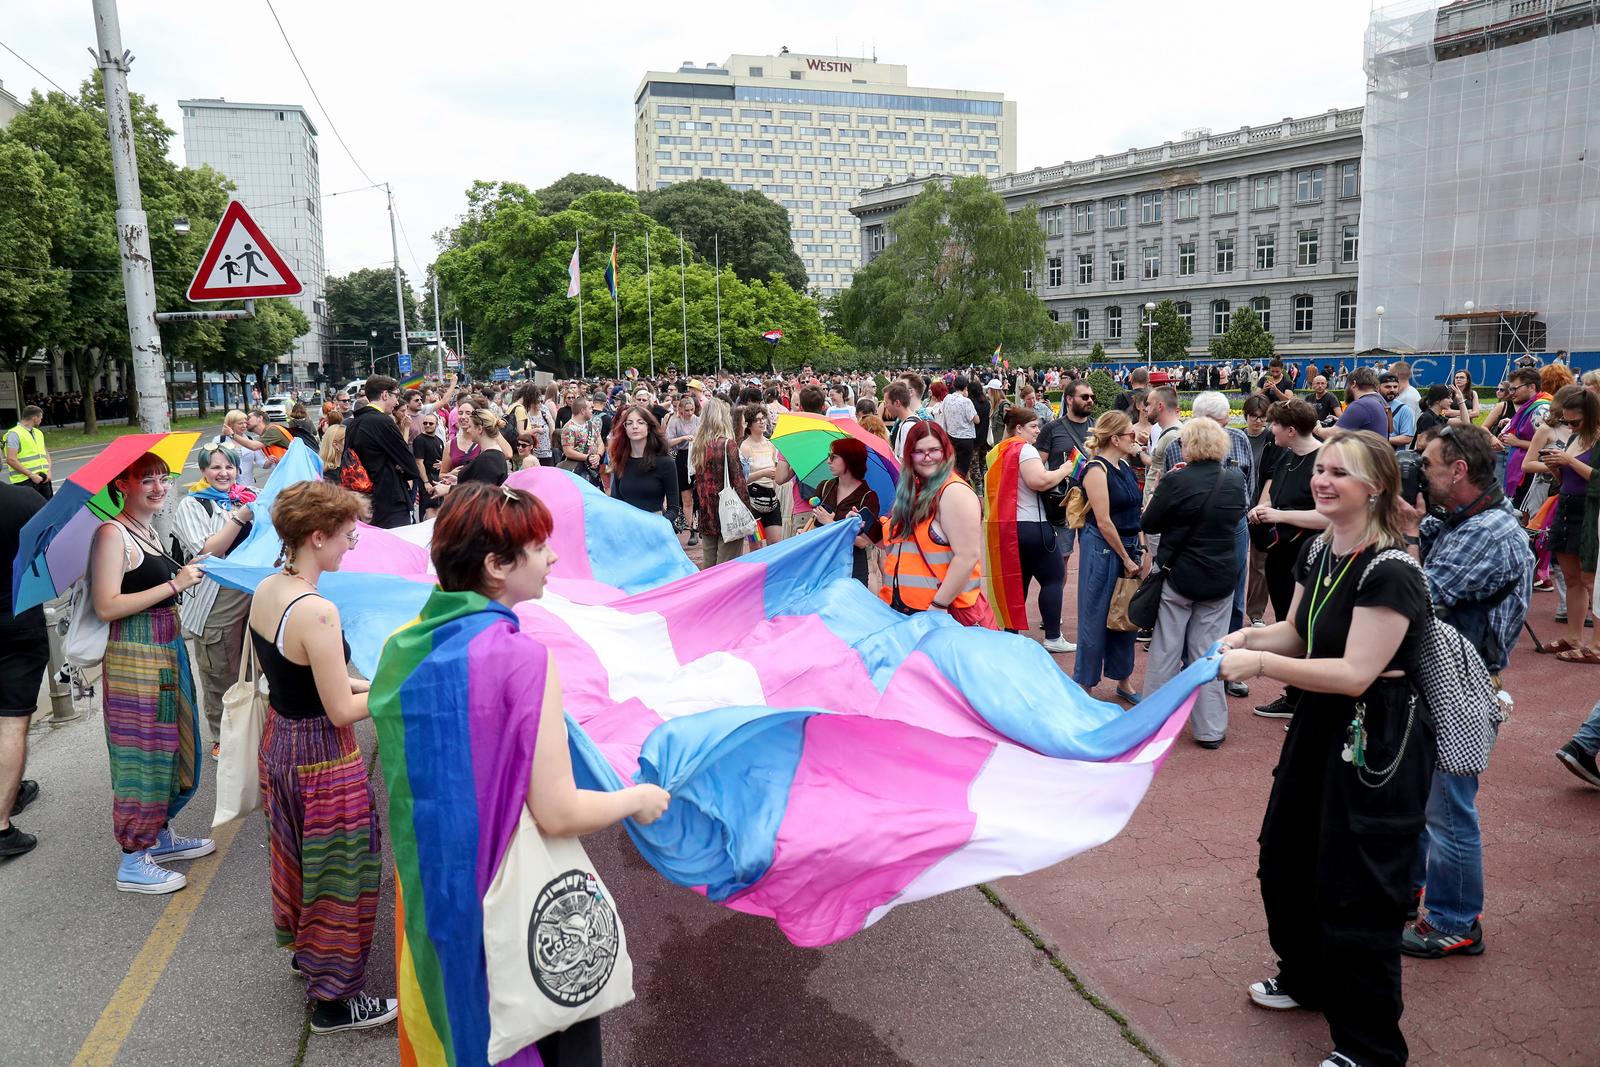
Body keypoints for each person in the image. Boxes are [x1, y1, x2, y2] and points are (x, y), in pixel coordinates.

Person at [368, 484, 669, 1066]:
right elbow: (558, 812)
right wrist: (637, 798)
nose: (553, 558)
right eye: (538, 546)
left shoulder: (402, 649)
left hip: (433, 893)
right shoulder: (522, 658)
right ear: (496, 565)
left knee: (459, 1033)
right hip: (515, 908)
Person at [1219, 429, 1434, 1067]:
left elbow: (1354, 673)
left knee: (1358, 886)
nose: (1323, 479)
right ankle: (1306, 977)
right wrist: (1246, 637)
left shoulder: (1390, 569)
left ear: (1376, 487)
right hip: (1320, 721)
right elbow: (1296, 632)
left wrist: (1254, 663)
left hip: (1376, 739)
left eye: (1341, 472)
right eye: (1323, 469)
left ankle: (1368, 1049)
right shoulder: (1320, 550)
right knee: (1283, 853)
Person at [248, 481, 396, 1034]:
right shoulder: (319, 611)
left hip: (282, 743)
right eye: (346, 535)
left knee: (297, 859)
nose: (352, 545)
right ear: (316, 536)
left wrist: (375, 684)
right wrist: (398, 694)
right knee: (341, 870)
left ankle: (308, 955)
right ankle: (336, 1000)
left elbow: (304, 684)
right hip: (323, 758)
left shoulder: (268, 588)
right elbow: (338, 709)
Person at [1394, 423, 1532, 961]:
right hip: (1444, 676)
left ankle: (1456, 922)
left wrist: (1407, 537)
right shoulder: (1460, 519)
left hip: (1463, 685)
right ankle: (1412, 894)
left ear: (1458, 471)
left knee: (1448, 810)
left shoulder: (1489, 532)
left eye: (1426, 464)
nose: (1418, 472)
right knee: (1423, 798)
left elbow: (1419, 596)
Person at [89, 453, 212, 894]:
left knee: (174, 743)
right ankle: (132, 859)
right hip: (135, 658)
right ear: (122, 483)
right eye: (147, 479)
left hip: (165, 649)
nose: (159, 487)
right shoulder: (112, 534)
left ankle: (158, 836)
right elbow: (106, 606)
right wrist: (174, 586)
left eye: (164, 478)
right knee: (142, 750)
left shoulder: (146, 530)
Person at [1141, 418, 1248, 747]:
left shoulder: (1177, 480)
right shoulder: (1234, 479)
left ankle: (1152, 723)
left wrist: (1164, 486)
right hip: (1220, 575)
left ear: (1189, 445)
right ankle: (1210, 728)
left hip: (1181, 574)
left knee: (1166, 649)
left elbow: (1149, 522)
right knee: (1209, 652)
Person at [172, 444, 257, 759]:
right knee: (219, 668)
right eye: (215, 468)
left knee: (255, 665)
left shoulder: (249, 495)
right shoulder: (193, 505)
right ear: (204, 472)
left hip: (255, 591)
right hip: (214, 597)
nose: (223, 473)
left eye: (229, 467)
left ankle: (255, 728)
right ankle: (224, 735)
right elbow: (208, 552)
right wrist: (240, 517)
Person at [1247, 399, 1324, 718]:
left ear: (1291, 430)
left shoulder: (1325, 461)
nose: (1269, 428)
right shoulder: (1285, 456)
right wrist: (1262, 509)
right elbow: (1273, 493)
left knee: (1311, 628)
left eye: (1274, 424)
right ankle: (1295, 695)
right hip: (1281, 555)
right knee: (1287, 624)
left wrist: (1279, 514)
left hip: (1311, 559)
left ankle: (1312, 699)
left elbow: (1330, 517)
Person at [878, 421, 992, 627]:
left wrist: (939, 605)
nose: (927, 457)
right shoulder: (912, 491)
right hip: (903, 610)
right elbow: (896, 547)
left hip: (941, 614)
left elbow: (967, 557)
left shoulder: (954, 493)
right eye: (919, 451)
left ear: (945, 451)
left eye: (933, 450)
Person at [986, 406, 1076, 652]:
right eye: (1034, 426)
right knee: (1053, 577)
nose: (1038, 430)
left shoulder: (996, 452)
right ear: (1018, 428)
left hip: (1007, 525)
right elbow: (1039, 481)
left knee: (1018, 580)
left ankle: (1010, 633)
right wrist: (1064, 470)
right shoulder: (1024, 449)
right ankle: (1053, 637)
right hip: (1032, 524)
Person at [1072, 411, 1148, 701]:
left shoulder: (1125, 466)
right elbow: (1103, 521)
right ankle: (1085, 684)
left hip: (1127, 544)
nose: (1136, 437)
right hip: (1103, 548)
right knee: (1095, 615)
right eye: (1131, 434)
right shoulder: (1096, 469)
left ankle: (1123, 680)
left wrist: (1140, 548)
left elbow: (1135, 513)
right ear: (1114, 438)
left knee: (1126, 614)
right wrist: (1127, 558)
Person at [1522, 385, 1599, 661]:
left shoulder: (1597, 438)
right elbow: (1566, 480)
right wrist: (1557, 469)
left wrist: (1568, 461)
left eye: (1575, 421)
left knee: (1592, 580)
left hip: (1591, 513)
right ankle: (1574, 636)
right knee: (1572, 578)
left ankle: (1596, 645)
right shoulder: (1574, 438)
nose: (1570, 425)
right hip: (1566, 507)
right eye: (1567, 421)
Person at [0, 480, 49, 857]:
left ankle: (11, 790)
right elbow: (52, 556)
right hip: (16, 620)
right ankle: (1, 824)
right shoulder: (23, 500)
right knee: (12, 721)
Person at [344, 376, 422, 528]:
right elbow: (410, 466)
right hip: (390, 500)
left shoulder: (354, 423)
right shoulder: (383, 422)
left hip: (363, 500)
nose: (397, 402)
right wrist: (399, 467)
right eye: (396, 396)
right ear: (385, 395)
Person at [811, 437, 883, 585]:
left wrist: (831, 523)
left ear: (850, 460)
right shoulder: (825, 487)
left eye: (833, 457)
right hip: (822, 564)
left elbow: (863, 542)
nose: (828, 461)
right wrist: (805, 534)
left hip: (851, 567)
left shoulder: (867, 497)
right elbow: (814, 525)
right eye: (828, 456)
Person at [690, 399, 753, 569]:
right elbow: (739, 482)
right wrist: (748, 511)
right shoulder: (727, 444)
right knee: (727, 566)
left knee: (709, 565)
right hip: (729, 511)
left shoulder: (697, 445)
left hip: (706, 512)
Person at [1241, 395, 1282, 626]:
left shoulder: (1271, 440)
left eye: (1262, 418)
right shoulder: (1236, 437)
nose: (1258, 421)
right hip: (1238, 507)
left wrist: (1260, 506)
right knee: (1236, 561)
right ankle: (1233, 607)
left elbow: (1271, 475)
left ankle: (1255, 613)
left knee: (1260, 564)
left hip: (1261, 505)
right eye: (1254, 417)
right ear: (1246, 416)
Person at [608, 404, 680, 519]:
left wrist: (659, 524)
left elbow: (674, 508)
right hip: (627, 527)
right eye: (629, 423)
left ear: (649, 427)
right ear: (624, 428)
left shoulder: (665, 463)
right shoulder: (620, 461)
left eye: (640, 422)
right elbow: (616, 501)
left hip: (654, 527)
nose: (634, 426)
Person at [739, 405, 790, 544]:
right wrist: (763, 473)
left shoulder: (770, 444)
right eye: (757, 420)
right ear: (749, 425)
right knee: (756, 546)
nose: (762, 422)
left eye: (763, 418)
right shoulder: (745, 447)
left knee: (776, 544)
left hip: (772, 499)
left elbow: (777, 473)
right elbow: (742, 479)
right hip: (753, 502)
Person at [1498, 367, 1550, 497]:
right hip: (1526, 471)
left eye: (1515, 388)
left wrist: (1517, 442)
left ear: (1532, 387)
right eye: (1510, 389)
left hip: (1533, 476)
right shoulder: (1531, 407)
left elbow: (1547, 447)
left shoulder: (1541, 409)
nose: (1511, 393)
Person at [665, 393, 700, 542]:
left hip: (696, 456)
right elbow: (667, 442)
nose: (690, 413)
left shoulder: (698, 420)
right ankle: (691, 528)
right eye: (687, 410)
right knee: (686, 497)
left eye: (692, 409)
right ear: (680, 410)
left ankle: (699, 526)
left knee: (698, 495)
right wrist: (683, 438)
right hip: (681, 457)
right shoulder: (674, 421)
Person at [1319, 367, 1387, 440]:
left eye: (1348, 385)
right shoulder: (1380, 399)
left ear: (1354, 384)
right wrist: (1341, 421)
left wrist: (1317, 428)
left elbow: (1333, 435)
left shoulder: (1360, 405)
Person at [4, 404, 52, 498]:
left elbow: (46, 454)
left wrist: (49, 471)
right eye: (40, 418)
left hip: (43, 479)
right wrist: (31, 475)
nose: (41, 420)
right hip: (25, 481)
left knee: (48, 509)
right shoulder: (14, 434)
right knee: (30, 511)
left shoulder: (38, 433)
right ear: (35, 418)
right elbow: (11, 459)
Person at [558, 396, 604, 486]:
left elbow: (601, 443)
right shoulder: (569, 428)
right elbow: (568, 452)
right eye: (590, 408)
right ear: (583, 411)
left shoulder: (592, 425)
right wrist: (587, 457)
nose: (592, 410)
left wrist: (598, 455)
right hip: (576, 471)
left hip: (592, 470)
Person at [939, 375, 980, 478]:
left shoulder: (947, 398)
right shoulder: (966, 401)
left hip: (951, 436)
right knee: (963, 469)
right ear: (966, 387)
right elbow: (976, 420)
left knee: (952, 467)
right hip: (965, 439)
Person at [414, 412, 445, 517]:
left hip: (438, 478)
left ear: (436, 425)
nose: (427, 425)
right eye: (425, 423)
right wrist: (426, 482)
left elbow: (444, 459)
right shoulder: (419, 440)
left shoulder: (439, 441)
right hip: (427, 478)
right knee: (430, 508)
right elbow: (419, 462)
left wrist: (443, 464)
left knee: (439, 507)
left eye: (431, 423)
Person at [1379, 372, 1416, 449]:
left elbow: (1407, 438)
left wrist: (1380, 439)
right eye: (1387, 387)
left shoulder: (1404, 410)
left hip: (1394, 457)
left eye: (1395, 387)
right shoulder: (1370, 405)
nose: (1392, 390)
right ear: (1377, 387)